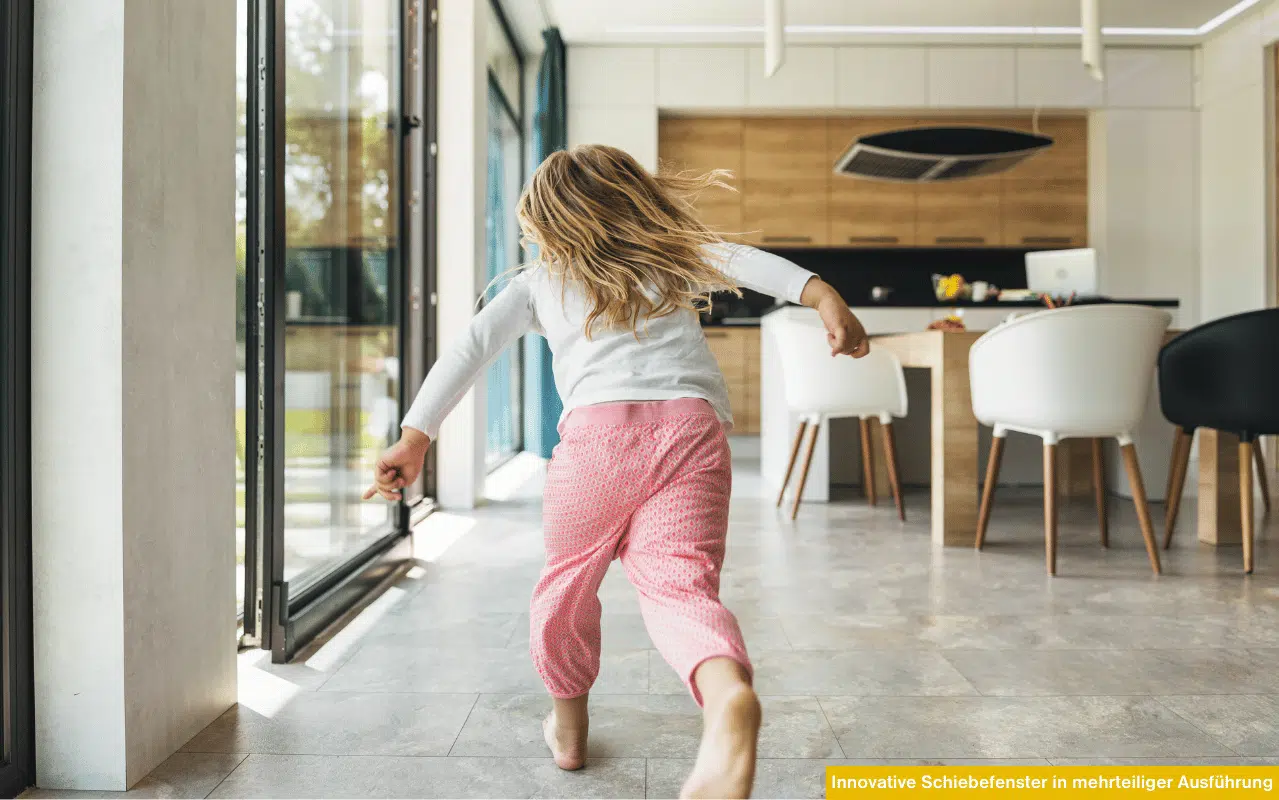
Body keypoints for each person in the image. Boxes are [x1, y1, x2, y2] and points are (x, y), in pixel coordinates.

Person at [364, 144, 868, 799]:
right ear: (636, 201)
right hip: (691, 432)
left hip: (597, 443)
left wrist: (414, 437)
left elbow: (471, 347)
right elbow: (753, 265)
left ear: (546, 220)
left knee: (566, 590)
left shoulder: (539, 282)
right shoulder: (675, 252)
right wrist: (825, 297)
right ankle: (726, 700)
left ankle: (568, 731)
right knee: (680, 591)